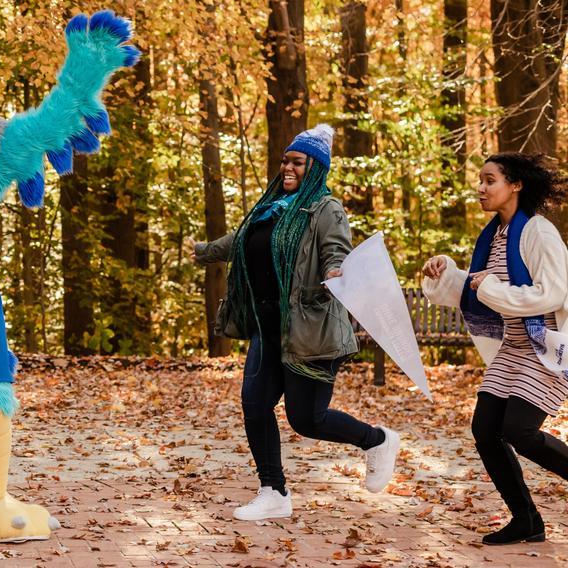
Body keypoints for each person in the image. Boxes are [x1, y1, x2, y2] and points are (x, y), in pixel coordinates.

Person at [191, 124, 401, 521]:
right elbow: (240, 241)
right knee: (254, 406)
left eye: (298, 162)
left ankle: (377, 441)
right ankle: (274, 491)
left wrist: (337, 269)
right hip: (268, 328)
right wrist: (204, 251)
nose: (287, 167)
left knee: (307, 419)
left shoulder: (325, 209)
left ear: (316, 168)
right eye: (286, 160)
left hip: (311, 330)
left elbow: (336, 249)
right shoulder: (270, 208)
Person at [421, 152, 568, 545]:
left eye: (490, 180)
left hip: (546, 345)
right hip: (515, 347)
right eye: (480, 180)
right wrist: (446, 272)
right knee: (485, 430)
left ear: (515, 184)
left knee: (519, 430)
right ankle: (527, 520)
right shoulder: (493, 236)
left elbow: (551, 293)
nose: (481, 188)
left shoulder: (538, 232)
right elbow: (480, 288)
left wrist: (484, 285)